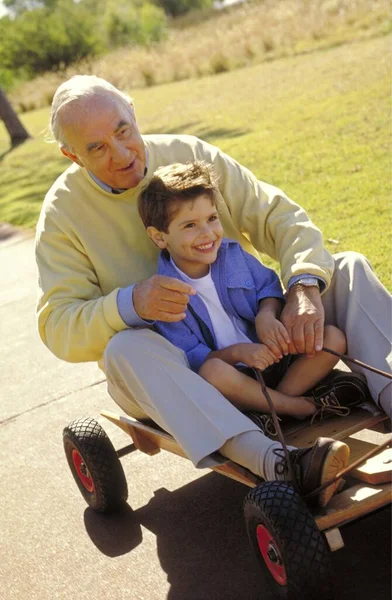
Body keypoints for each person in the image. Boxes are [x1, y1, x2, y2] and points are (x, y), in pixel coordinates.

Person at [35, 75, 392, 509]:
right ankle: (279, 463)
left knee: (348, 266)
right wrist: (129, 303)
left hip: (256, 340)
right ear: (71, 154)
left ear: (132, 110)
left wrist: (302, 285)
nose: (122, 153)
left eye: (123, 130)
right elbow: (57, 325)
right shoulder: (61, 215)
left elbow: (278, 217)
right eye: (96, 148)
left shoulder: (191, 156)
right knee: (125, 348)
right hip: (170, 371)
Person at [138, 160, 370, 434]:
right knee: (213, 372)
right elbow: (194, 358)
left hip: (275, 359)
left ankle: (274, 410)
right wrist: (238, 353)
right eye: (190, 225)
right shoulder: (164, 294)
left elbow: (268, 286)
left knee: (333, 338)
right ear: (159, 237)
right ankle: (300, 407)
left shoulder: (233, 255)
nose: (207, 233)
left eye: (212, 218)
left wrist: (266, 315)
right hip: (235, 379)